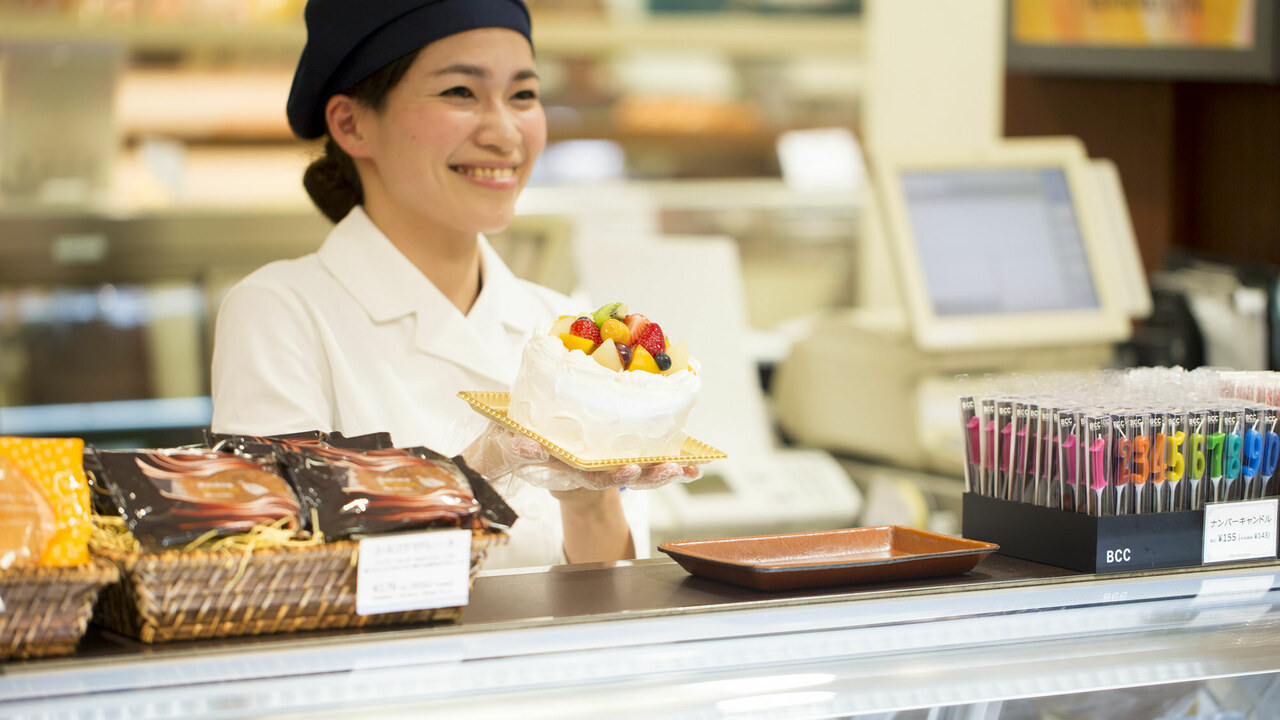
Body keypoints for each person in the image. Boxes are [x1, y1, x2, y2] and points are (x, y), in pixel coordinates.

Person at [210, 0, 694, 569]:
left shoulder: (565, 326)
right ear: (351, 123)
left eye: (523, 95)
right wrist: (478, 469)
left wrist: (587, 503)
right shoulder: (280, 312)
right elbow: (277, 569)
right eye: (460, 93)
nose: (505, 132)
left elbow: (612, 605)